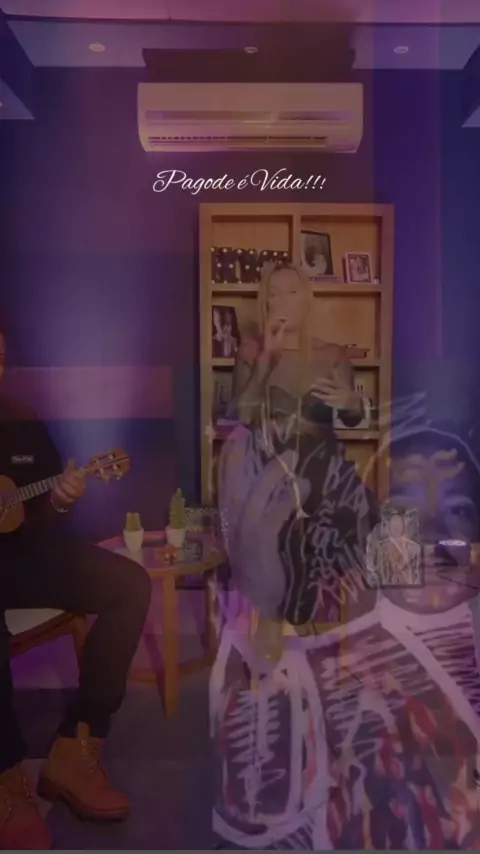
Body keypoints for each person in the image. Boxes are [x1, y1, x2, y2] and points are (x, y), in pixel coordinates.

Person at [211, 263, 377, 847]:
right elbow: (236, 418)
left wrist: (353, 401)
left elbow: (354, 417)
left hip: (325, 481)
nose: (283, 300)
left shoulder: (333, 352)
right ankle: (276, 723)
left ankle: (335, 715)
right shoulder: (251, 350)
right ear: (265, 301)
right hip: (271, 481)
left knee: (334, 592)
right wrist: (262, 364)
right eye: (273, 293)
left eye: (292, 292)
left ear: (307, 299)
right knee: (272, 595)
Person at [0, 321, 151, 850]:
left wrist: (62, 500)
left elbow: (42, 515)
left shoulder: (21, 421)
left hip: (24, 557)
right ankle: (6, 779)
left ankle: (77, 744)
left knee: (129, 584)